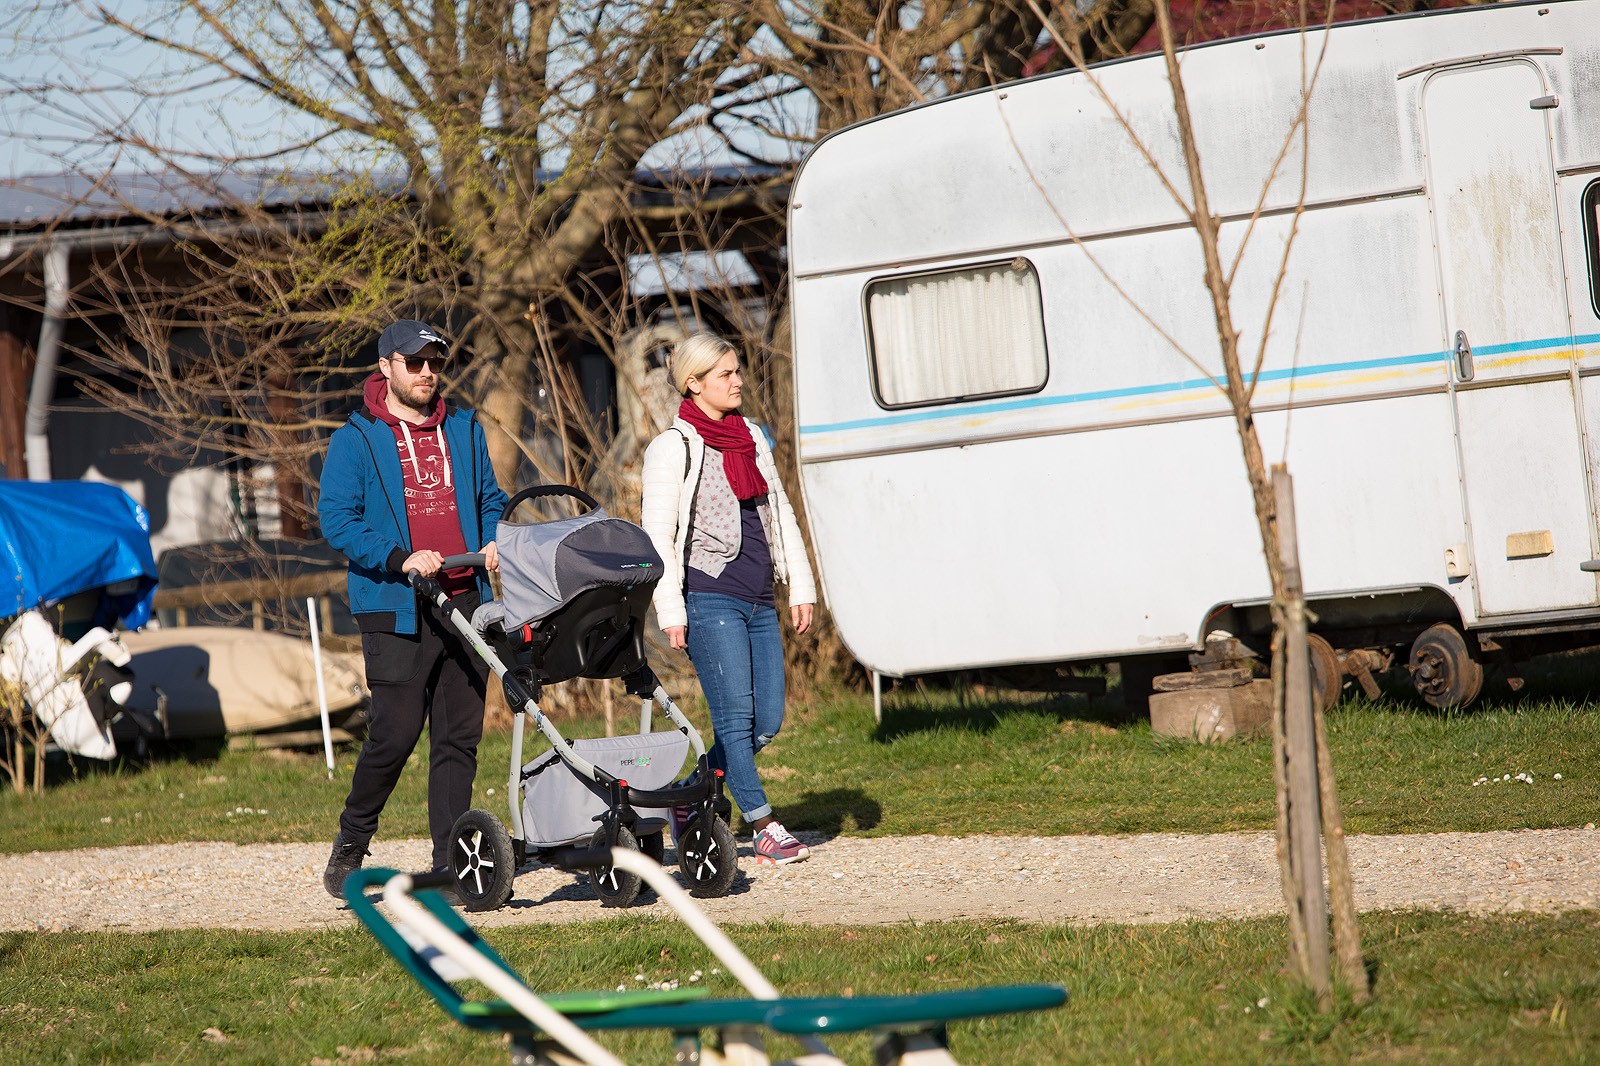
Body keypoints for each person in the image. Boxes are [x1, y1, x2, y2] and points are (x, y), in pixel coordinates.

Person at [318, 319, 508, 898]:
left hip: (464, 596)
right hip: (396, 605)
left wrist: (498, 538)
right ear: (387, 367)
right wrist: (399, 556)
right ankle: (351, 843)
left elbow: (490, 499)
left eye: (435, 362)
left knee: (458, 737)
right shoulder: (356, 438)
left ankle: (452, 864)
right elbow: (338, 520)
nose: (427, 372)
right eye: (414, 362)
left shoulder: (466, 429)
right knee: (394, 734)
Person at [640, 332, 817, 865]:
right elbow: (658, 538)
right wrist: (670, 610)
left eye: (737, 371)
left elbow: (780, 511)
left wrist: (799, 586)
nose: (738, 381)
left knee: (766, 722)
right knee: (735, 718)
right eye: (725, 374)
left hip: (760, 597)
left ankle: (691, 797)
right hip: (710, 598)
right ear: (693, 384)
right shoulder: (672, 448)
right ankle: (763, 825)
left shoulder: (753, 438)